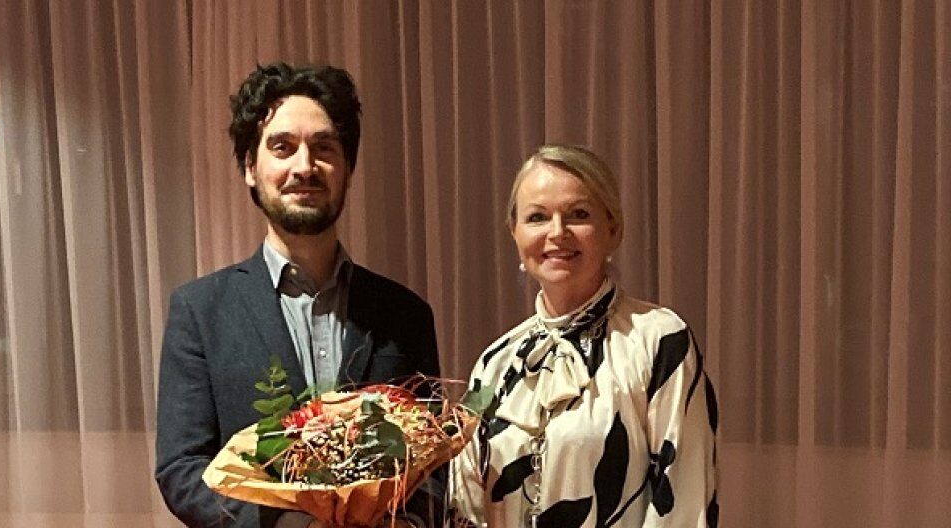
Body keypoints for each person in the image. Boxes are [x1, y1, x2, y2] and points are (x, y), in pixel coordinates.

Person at [155, 62, 440, 528]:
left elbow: (432, 464)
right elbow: (182, 470)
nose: (304, 167)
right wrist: (290, 525)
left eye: (323, 148)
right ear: (251, 168)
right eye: (283, 147)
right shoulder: (200, 312)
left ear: (347, 167)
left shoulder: (405, 314)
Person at [451, 145, 718, 527]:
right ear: (515, 233)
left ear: (613, 228)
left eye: (578, 214)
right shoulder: (495, 364)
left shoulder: (660, 341)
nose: (557, 232)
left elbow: (684, 502)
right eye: (537, 217)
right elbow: (465, 504)